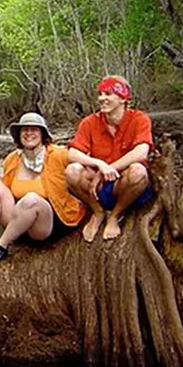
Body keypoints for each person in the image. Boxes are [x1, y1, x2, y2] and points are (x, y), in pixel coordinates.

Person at [0, 113, 86, 268]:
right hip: (19, 222)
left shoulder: (59, 154)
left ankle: (1, 246)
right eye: (24, 129)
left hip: (48, 224)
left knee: (31, 199)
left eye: (34, 129)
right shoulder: (12, 159)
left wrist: (102, 166)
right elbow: (5, 193)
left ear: (42, 134)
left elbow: (83, 166)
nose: (29, 133)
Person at [65, 75, 154, 242]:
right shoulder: (90, 122)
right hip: (98, 188)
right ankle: (97, 212)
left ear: (123, 99)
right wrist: (99, 165)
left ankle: (115, 216)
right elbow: (72, 154)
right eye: (100, 94)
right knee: (72, 171)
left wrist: (110, 167)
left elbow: (141, 152)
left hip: (126, 185)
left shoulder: (139, 119)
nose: (102, 99)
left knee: (138, 171)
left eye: (108, 94)